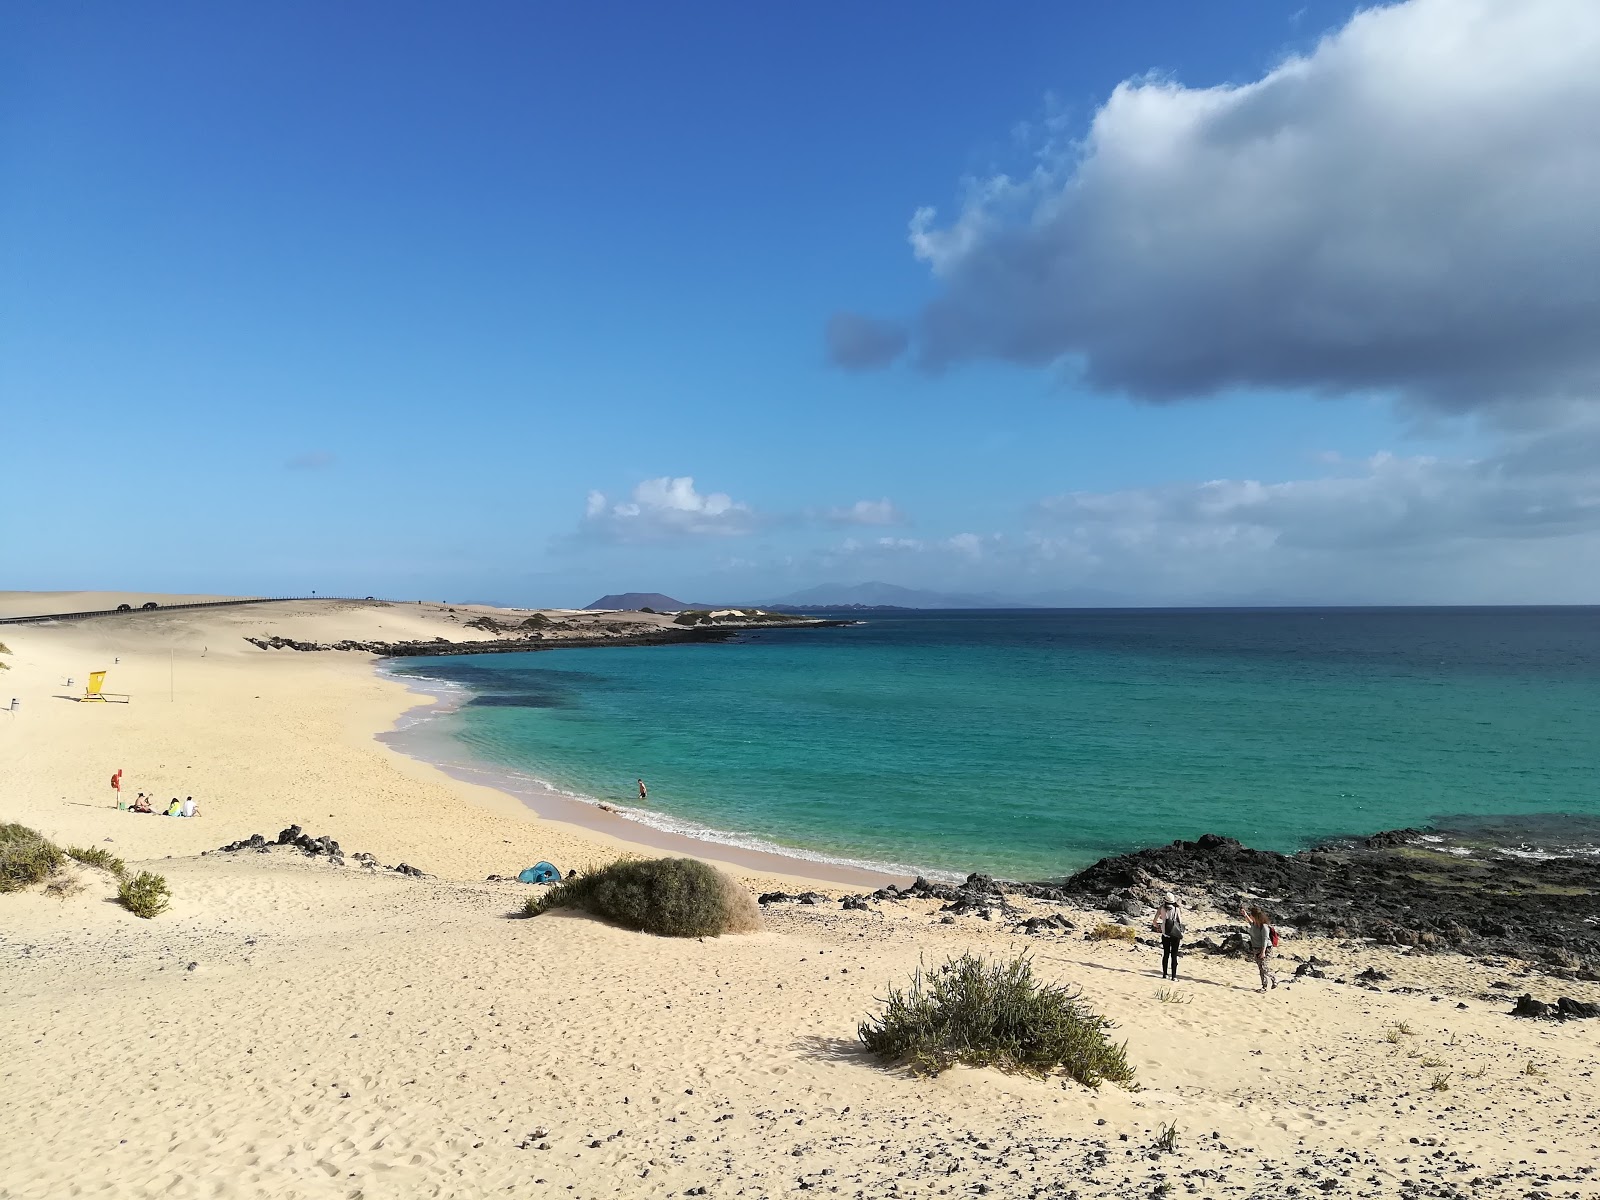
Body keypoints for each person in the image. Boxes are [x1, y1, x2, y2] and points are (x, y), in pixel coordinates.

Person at [1242, 904, 1278, 991]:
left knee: (1264, 968)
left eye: (1251, 915)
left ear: (1255, 916)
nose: (1250, 916)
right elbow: (1250, 922)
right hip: (1256, 948)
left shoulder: (1264, 927)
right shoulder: (1255, 924)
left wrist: (1263, 952)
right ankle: (1264, 987)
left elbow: (1265, 940)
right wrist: (1245, 915)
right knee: (1261, 969)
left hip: (1266, 949)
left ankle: (1274, 979)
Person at [1151, 892, 1184, 980]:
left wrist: (1159, 927)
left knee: (1166, 954)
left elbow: (1154, 921)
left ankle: (1165, 974)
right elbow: (1180, 921)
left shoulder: (1161, 908)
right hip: (1175, 934)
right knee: (1174, 955)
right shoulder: (1176, 909)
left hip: (1165, 933)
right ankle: (1174, 976)